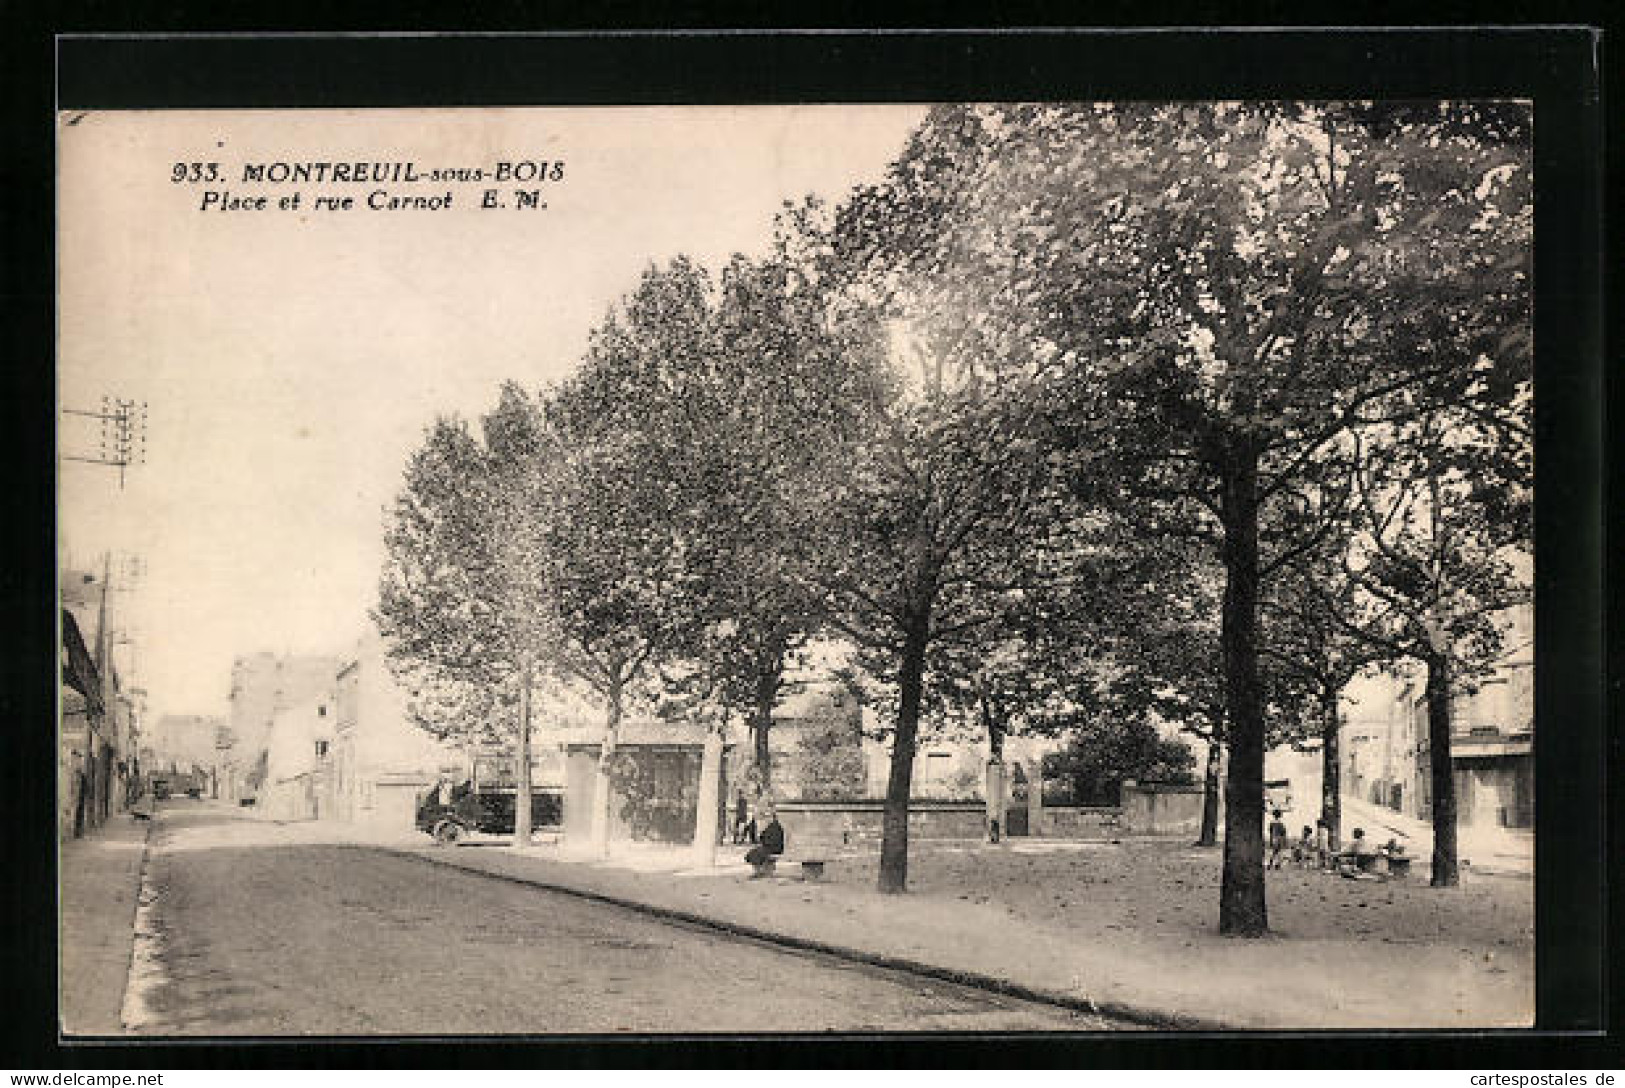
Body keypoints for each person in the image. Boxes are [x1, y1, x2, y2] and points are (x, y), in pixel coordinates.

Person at [745, 807, 785, 877]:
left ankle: (760, 871)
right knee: (755, 852)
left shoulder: (775, 827)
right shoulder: (771, 826)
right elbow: (763, 837)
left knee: (755, 853)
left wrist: (764, 840)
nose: (767, 818)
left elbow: (773, 840)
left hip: (774, 849)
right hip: (771, 847)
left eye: (768, 817)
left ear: (773, 818)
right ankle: (760, 870)